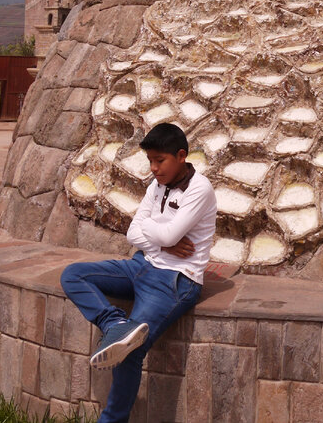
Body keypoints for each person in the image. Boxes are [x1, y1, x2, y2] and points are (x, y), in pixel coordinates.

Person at [60, 123, 217, 423]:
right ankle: (114, 322)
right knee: (73, 275)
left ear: (181, 156)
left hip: (174, 280)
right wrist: (165, 242)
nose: (154, 168)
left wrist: (160, 237)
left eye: (160, 160)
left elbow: (162, 232)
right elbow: (134, 234)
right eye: (150, 161)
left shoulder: (200, 189)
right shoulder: (155, 186)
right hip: (141, 265)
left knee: (129, 352)